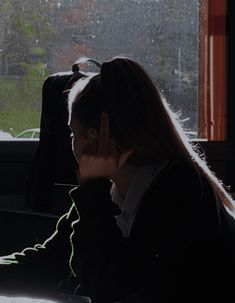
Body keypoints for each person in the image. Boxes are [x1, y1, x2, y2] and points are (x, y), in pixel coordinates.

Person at [1, 57, 235, 303]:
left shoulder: (178, 188)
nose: (71, 143)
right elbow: (53, 258)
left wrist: (91, 190)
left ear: (94, 137)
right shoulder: (111, 187)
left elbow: (108, 287)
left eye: (73, 133)